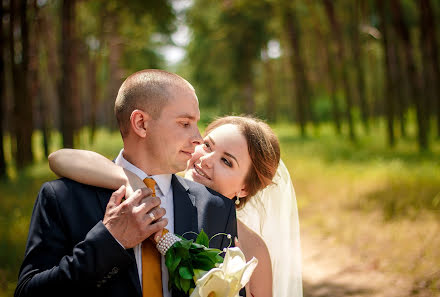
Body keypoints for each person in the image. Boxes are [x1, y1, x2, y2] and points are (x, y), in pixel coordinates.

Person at [15, 70, 238, 297]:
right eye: (184, 123)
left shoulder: (216, 208)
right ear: (140, 123)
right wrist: (111, 240)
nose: (198, 138)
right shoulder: (63, 197)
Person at [48, 116, 303, 297]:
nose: (205, 160)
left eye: (226, 161)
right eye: (207, 145)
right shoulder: (155, 193)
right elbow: (60, 159)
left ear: (245, 188)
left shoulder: (253, 248)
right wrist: (131, 180)